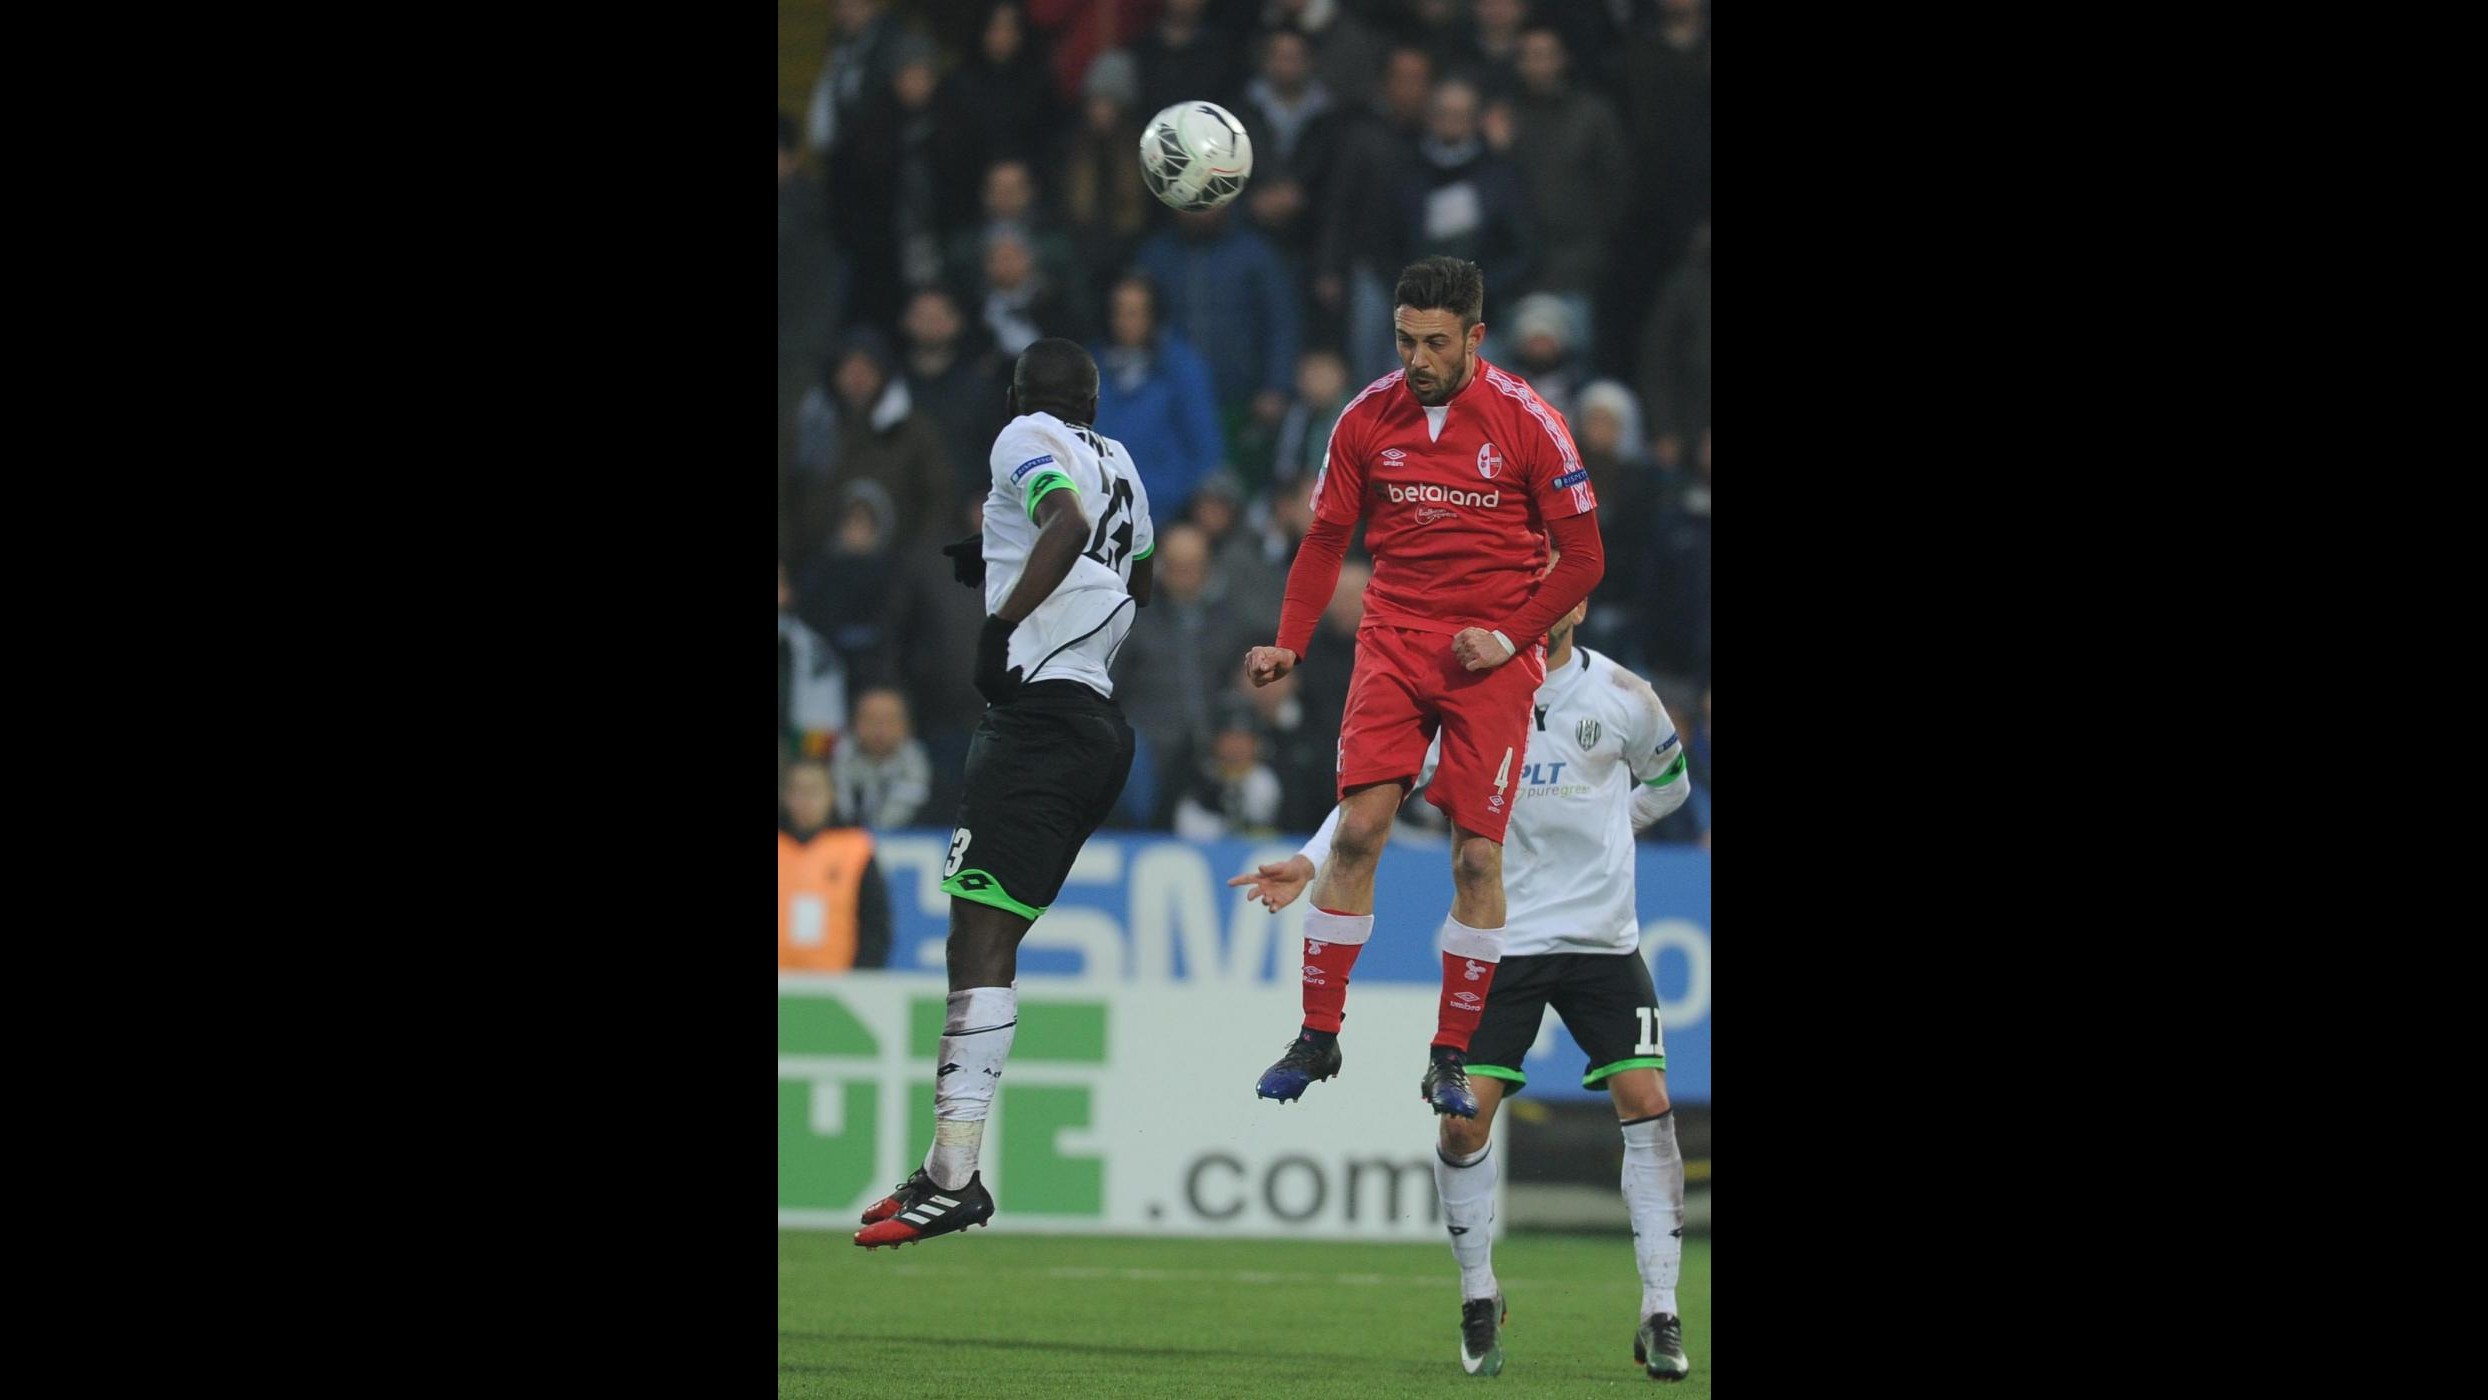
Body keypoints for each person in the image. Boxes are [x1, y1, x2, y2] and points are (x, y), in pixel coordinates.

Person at [1229, 585, 1693, 1380]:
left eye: (1553, 595)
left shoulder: (1624, 696)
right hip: (1501, 944)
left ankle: (1661, 1309)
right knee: (1460, 1125)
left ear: (1576, 609)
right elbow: (1374, 794)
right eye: (1525, 591)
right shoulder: (1467, 701)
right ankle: (1480, 1293)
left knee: (1647, 1101)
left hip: (1600, 944)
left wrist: (1611, 827)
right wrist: (1310, 860)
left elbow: (1672, 783)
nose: (1539, 607)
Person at [1241, 255, 1605, 1118]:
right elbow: (1327, 537)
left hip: (1492, 655)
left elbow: (1585, 557)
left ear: (1476, 337)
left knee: (1477, 855)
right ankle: (1318, 1034)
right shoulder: (1366, 416)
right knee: (1360, 832)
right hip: (1395, 642)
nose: (1418, 358)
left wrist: (1511, 635)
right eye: (1405, 338)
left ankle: (1451, 1052)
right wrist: (1291, 642)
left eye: (1436, 342)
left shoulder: (1531, 422)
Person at [855, 337, 1156, 1249]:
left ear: (1022, 397)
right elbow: (1128, 571)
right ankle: (949, 1169)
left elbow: (1059, 524)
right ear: (1095, 403)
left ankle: (954, 1174)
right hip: (1099, 727)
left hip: (1038, 722)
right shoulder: (1127, 465)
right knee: (989, 936)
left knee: (975, 938)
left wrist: (1004, 624)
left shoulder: (1021, 434)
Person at [778, 759, 894, 972]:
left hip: (835, 985)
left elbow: (874, 922)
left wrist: (862, 976)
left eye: (813, 791)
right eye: (796, 790)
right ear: (785, 796)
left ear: (831, 795)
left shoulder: (855, 849)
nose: (804, 801)